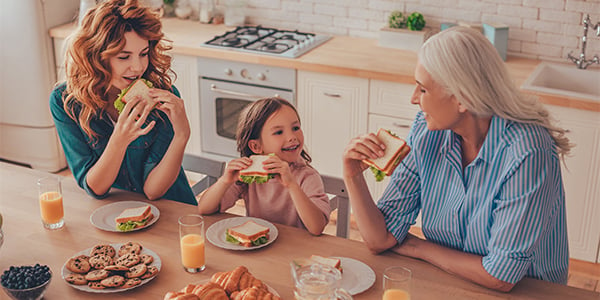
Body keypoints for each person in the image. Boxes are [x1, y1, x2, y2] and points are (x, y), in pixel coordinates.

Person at [342, 26, 571, 292]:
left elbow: (501, 275)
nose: (413, 99)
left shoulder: (528, 153)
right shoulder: (427, 134)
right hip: (450, 279)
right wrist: (352, 174)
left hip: (530, 292)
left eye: (423, 90)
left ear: (463, 98)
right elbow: (380, 239)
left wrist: (418, 246)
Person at [49, 0, 196, 205]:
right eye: (124, 57)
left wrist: (182, 135)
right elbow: (95, 188)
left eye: (143, 54)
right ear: (96, 57)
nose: (137, 67)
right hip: (114, 215)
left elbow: (153, 191)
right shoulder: (66, 102)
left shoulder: (163, 97)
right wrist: (119, 139)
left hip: (171, 209)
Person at [197, 97, 330, 235]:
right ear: (256, 146)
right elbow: (204, 209)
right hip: (257, 249)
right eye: (279, 132)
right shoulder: (248, 175)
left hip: (295, 249)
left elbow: (317, 227)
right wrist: (225, 181)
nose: (292, 137)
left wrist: (292, 185)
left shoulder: (307, 176)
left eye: (295, 128)